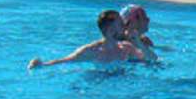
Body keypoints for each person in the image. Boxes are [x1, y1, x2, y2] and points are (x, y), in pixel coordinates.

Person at [27, 8, 157, 69]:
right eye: (120, 24)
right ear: (110, 30)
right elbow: (66, 61)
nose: (124, 26)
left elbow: (153, 60)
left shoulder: (127, 48)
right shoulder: (92, 51)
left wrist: (139, 43)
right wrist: (41, 64)